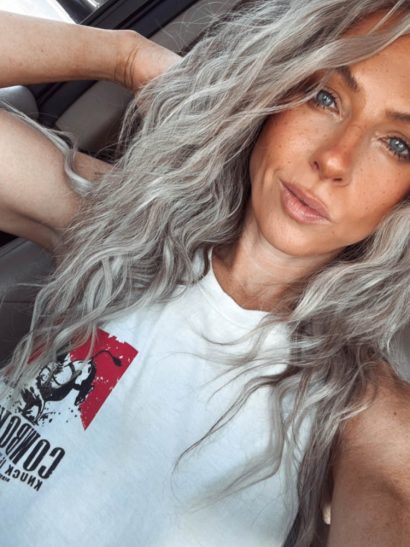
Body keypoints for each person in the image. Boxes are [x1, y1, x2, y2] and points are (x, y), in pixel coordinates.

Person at [0, 1, 409, 546]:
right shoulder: (126, 222)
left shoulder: (360, 405)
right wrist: (124, 56)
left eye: (397, 145)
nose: (334, 160)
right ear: (272, 91)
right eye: (324, 97)